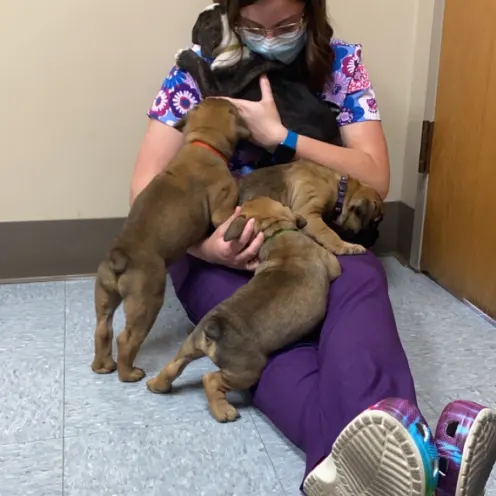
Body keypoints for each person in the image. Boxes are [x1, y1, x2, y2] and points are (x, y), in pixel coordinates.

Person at [132, 0, 496, 494]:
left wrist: (279, 134)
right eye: (253, 27)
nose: (270, 37)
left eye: (286, 25)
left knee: (361, 279)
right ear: (230, 15)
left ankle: (370, 472)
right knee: (255, 333)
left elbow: (374, 174)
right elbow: (144, 189)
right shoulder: (194, 69)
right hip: (220, 242)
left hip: (310, 234)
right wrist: (207, 249)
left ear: (312, 15)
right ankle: (422, 468)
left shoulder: (342, 65)